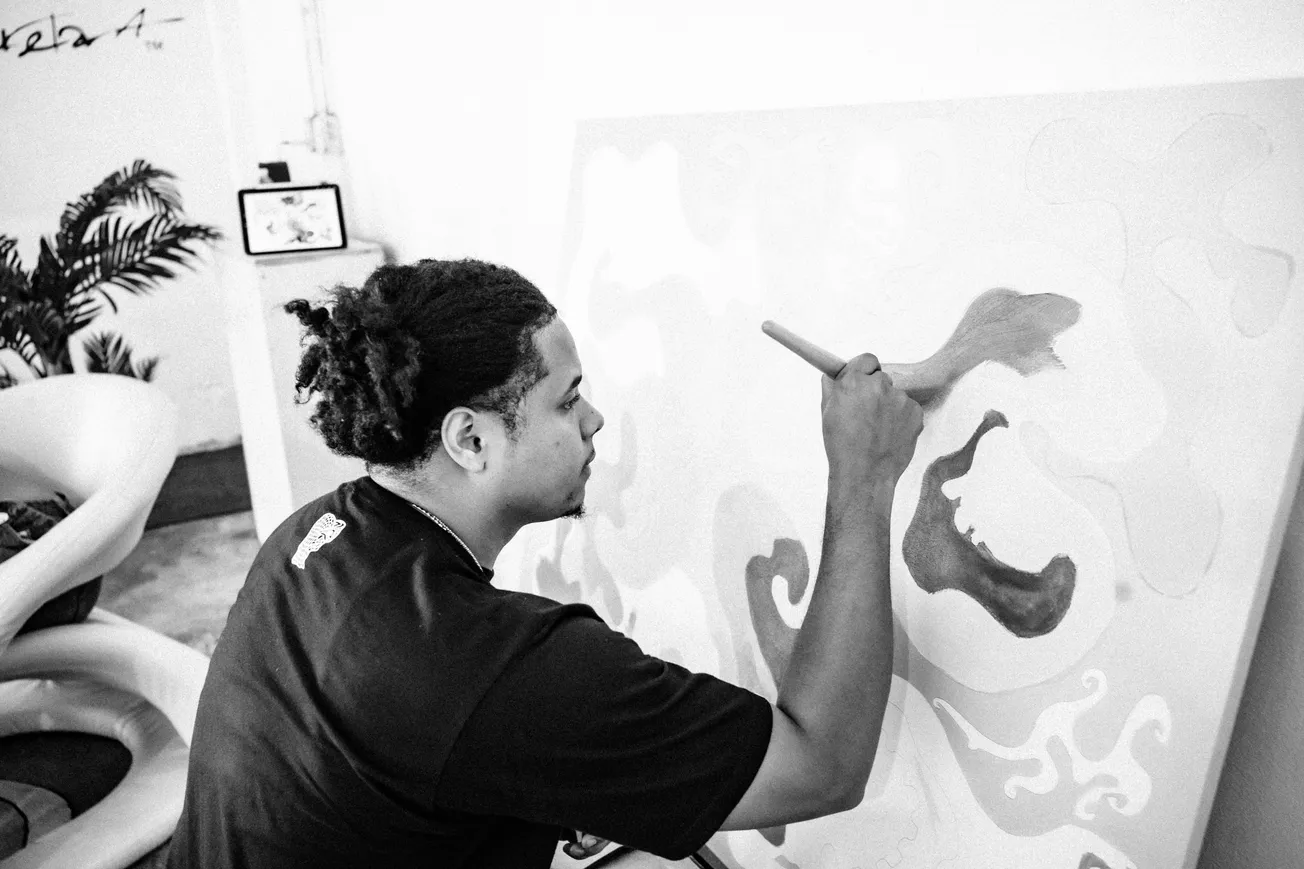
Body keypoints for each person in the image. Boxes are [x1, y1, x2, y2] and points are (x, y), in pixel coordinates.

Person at [166, 258, 922, 868]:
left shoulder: (313, 533)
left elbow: (374, 761)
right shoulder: (503, 669)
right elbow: (821, 765)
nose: (593, 420)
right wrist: (864, 476)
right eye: (567, 402)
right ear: (470, 440)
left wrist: (540, 788)